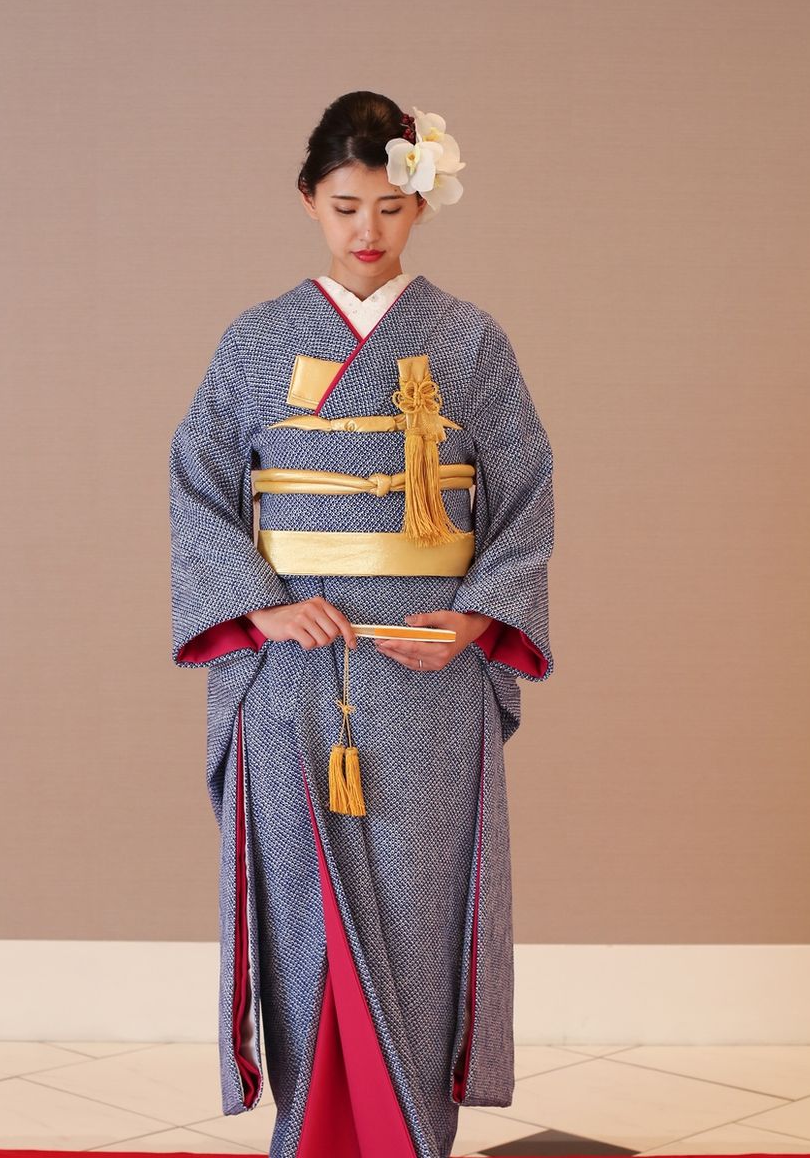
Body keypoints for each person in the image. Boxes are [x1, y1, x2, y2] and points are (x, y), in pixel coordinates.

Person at [169, 90, 553, 1158]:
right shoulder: (255, 340)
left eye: (390, 207)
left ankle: (414, 1138)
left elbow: (524, 492)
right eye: (345, 207)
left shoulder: (468, 340)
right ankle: (310, 1132)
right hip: (294, 666)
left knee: (419, 910)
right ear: (307, 200)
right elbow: (197, 481)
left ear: (420, 204)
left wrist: (473, 622)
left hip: (428, 667)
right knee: (302, 910)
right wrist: (260, 602)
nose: (367, 231)